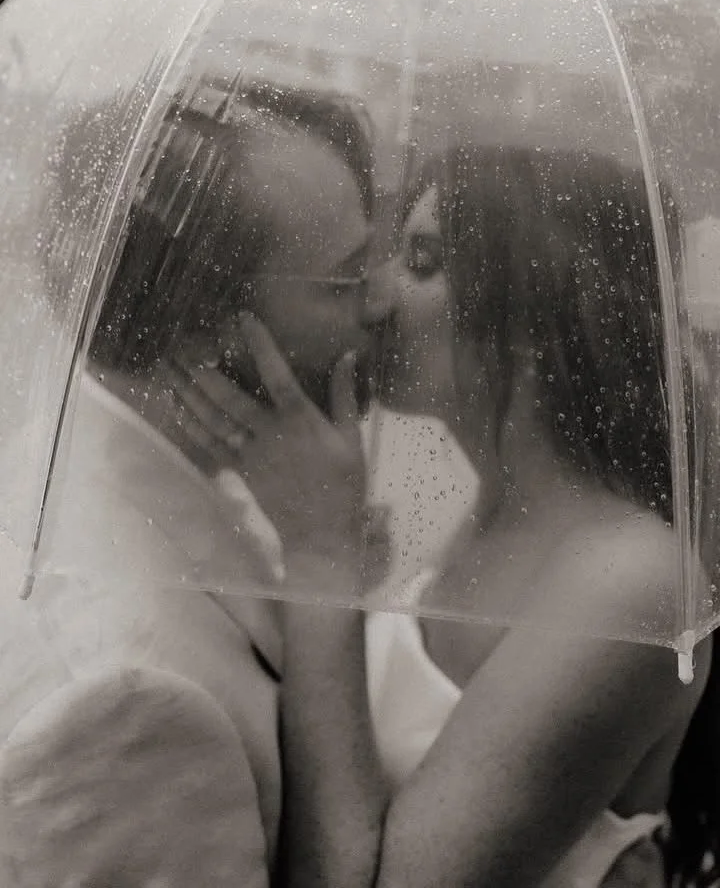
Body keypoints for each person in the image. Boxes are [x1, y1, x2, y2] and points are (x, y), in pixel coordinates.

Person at [183, 142, 718, 888]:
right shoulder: (476, 514)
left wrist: (322, 555)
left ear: (542, 313)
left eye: (423, 262)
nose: (373, 297)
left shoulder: (630, 576)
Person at [0, 77, 376, 885]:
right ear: (204, 320)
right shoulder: (119, 690)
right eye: (346, 282)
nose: (380, 303)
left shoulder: (83, 465)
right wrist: (324, 558)